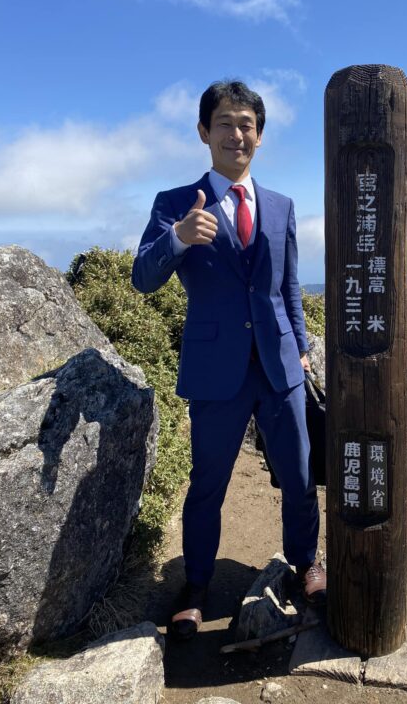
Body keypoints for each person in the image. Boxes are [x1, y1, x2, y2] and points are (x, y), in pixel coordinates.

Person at [132, 80, 326, 639]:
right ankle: (195, 587)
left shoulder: (282, 206)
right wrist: (178, 238)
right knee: (208, 482)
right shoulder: (173, 204)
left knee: (298, 474)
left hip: (281, 364)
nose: (236, 133)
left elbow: (288, 288)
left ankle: (305, 562)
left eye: (246, 124)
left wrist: (305, 348)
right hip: (216, 369)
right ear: (203, 132)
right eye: (224, 122)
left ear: (259, 137)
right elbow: (143, 278)